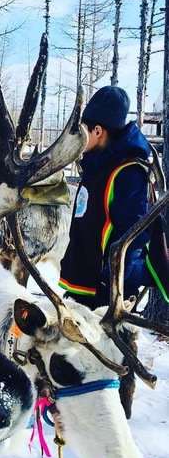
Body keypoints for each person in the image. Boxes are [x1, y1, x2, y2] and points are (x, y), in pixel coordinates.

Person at [59, 86, 153, 309]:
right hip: (82, 283)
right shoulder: (96, 167)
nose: (77, 137)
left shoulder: (128, 173)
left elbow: (134, 234)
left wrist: (110, 280)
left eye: (82, 130)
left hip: (104, 292)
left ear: (98, 131)